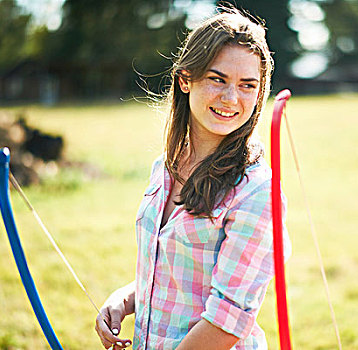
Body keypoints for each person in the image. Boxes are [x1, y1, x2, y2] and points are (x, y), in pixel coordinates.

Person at [95, 8, 290, 350]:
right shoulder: (165, 167)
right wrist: (125, 299)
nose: (232, 98)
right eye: (218, 79)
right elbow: (173, 274)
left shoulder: (256, 191)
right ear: (186, 79)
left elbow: (227, 321)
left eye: (248, 86)